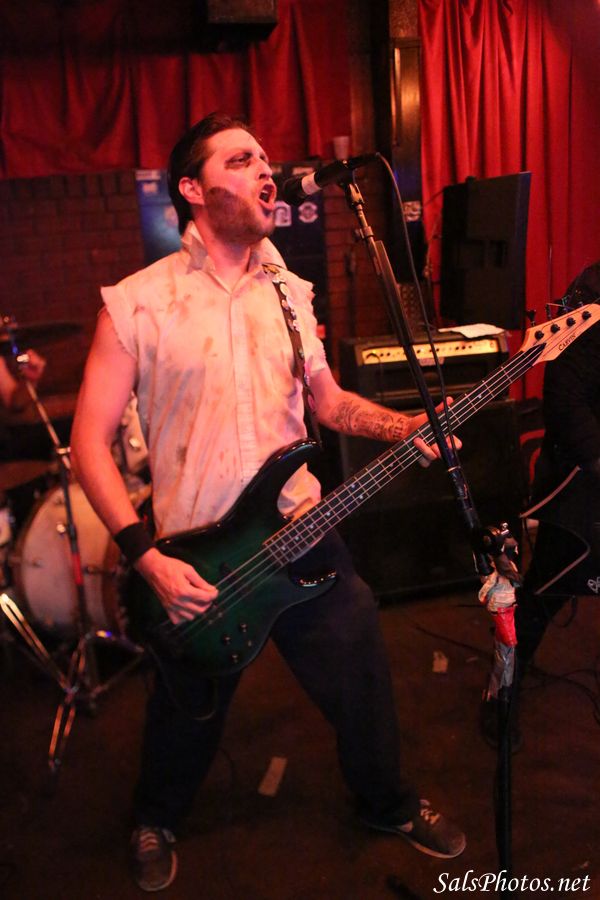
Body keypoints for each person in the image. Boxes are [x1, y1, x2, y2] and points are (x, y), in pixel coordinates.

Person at [70, 113, 466, 893]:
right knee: (186, 706)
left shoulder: (288, 292)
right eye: (242, 158)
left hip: (302, 531)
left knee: (361, 673)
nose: (266, 170)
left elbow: (328, 401)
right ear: (193, 189)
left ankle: (386, 803)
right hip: (200, 557)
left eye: (265, 158)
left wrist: (404, 426)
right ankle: (155, 816)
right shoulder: (137, 305)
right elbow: (88, 442)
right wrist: (144, 556)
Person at [481, 261, 600, 749]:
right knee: (538, 601)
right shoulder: (593, 290)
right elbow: (565, 397)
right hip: (582, 486)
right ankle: (499, 696)